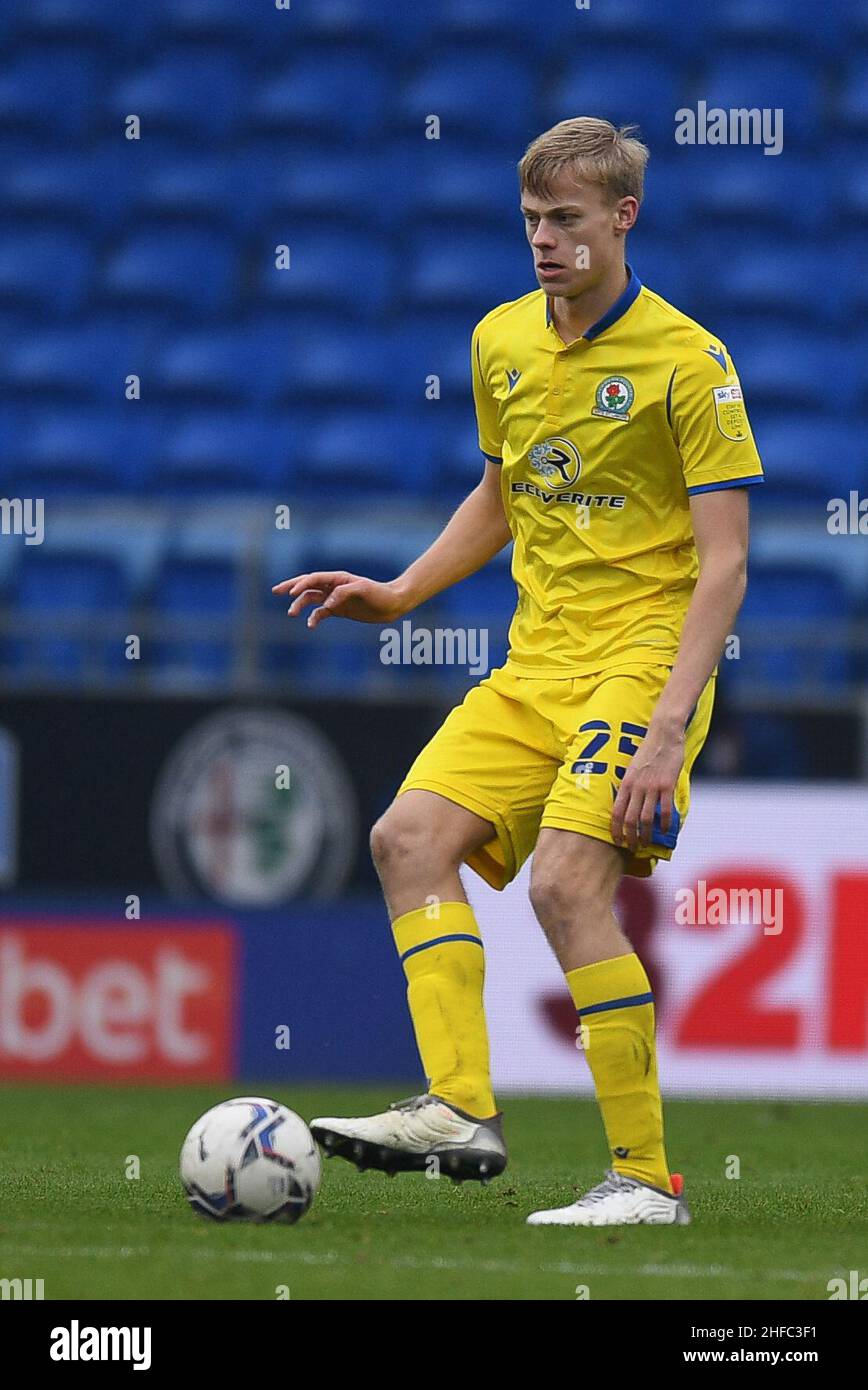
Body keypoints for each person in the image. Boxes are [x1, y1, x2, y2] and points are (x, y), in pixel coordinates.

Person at [272, 117, 764, 1227]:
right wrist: (401, 591)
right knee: (406, 839)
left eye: (568, 221)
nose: (545, 241)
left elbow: (725, 566)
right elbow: (501, 494)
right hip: (536, 661)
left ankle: (644, 1178)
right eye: (533, 220)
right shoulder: (501, 339)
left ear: (623, 218)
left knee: (562, 885)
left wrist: (667, 723)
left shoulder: (690, 361)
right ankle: (458, 1106)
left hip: (641, 663)